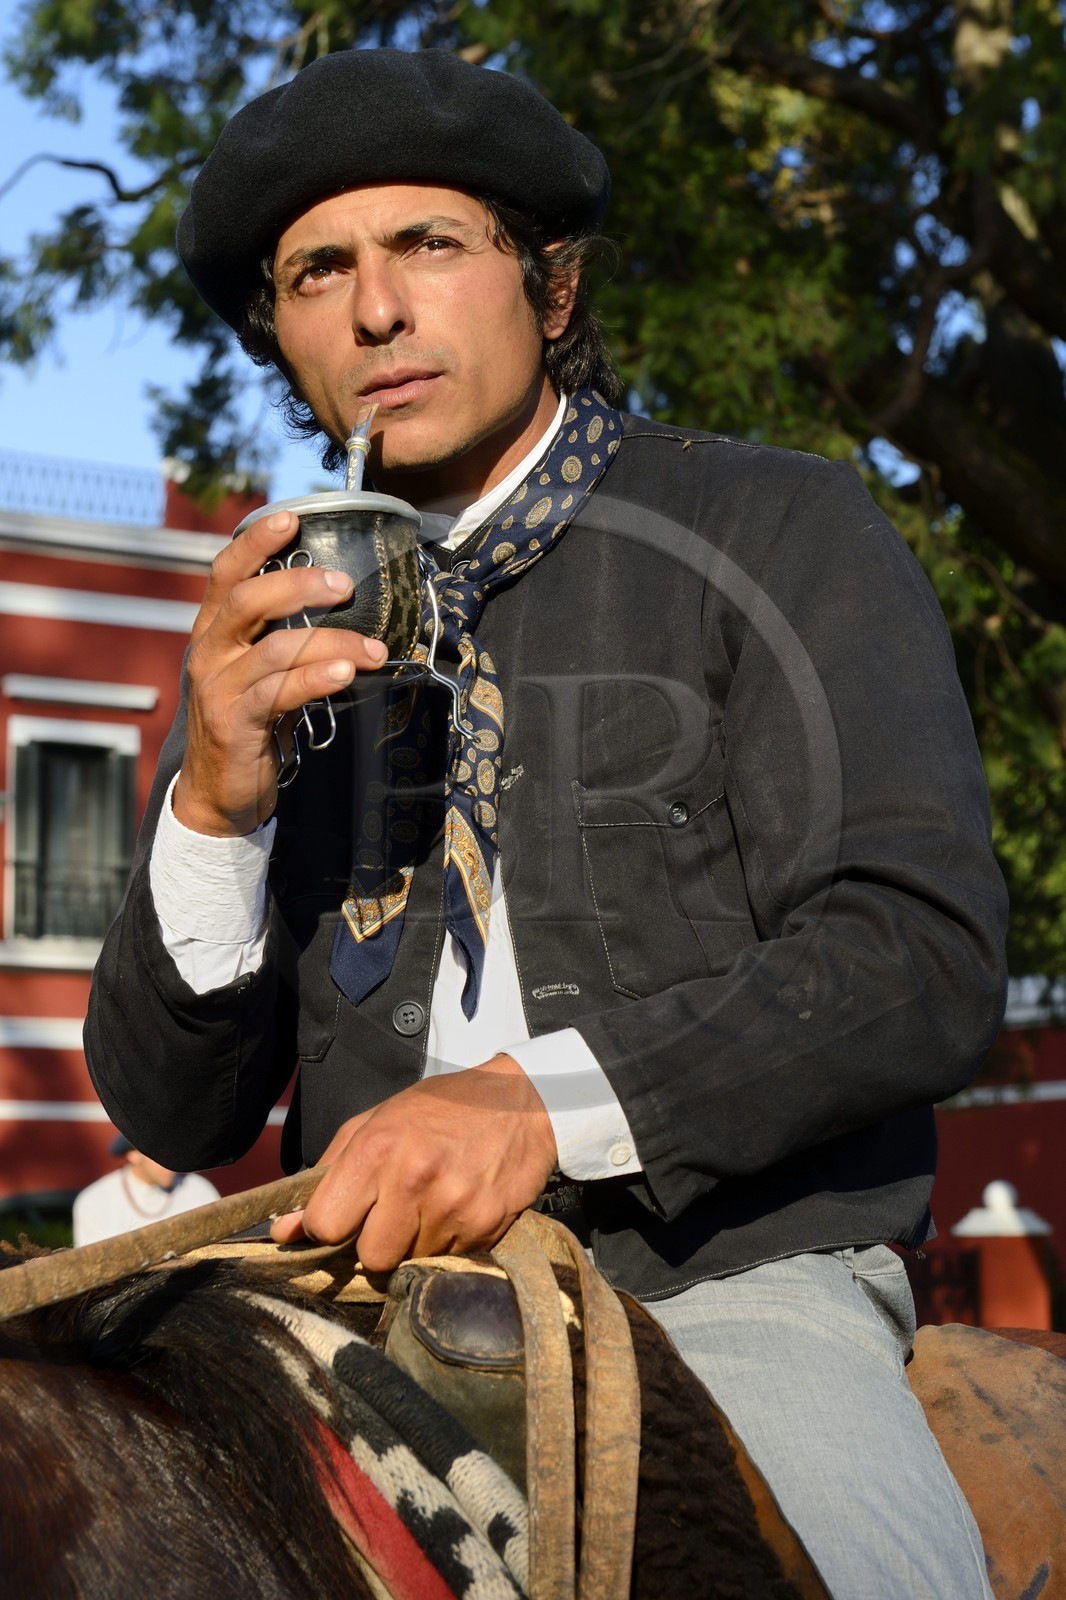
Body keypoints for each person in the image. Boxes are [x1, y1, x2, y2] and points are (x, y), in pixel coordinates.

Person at [85, 48, 1007, 1596]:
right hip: (350, 1308)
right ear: (286, 342)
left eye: (427, 244)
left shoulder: (773, 522)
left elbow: (913, 954)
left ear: (551, 287)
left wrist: (532, 1103)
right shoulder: (276, 629)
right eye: (318, 273)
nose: (377, 311)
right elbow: (173, 1116)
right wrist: (216, 803)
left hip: (729, 1287)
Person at [72, 1134, 220, 1247]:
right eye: (160, 1154)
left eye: (175, 1151)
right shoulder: (95, 1200)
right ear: (134, 1154)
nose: (170, 1162)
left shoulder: (200, 1191)